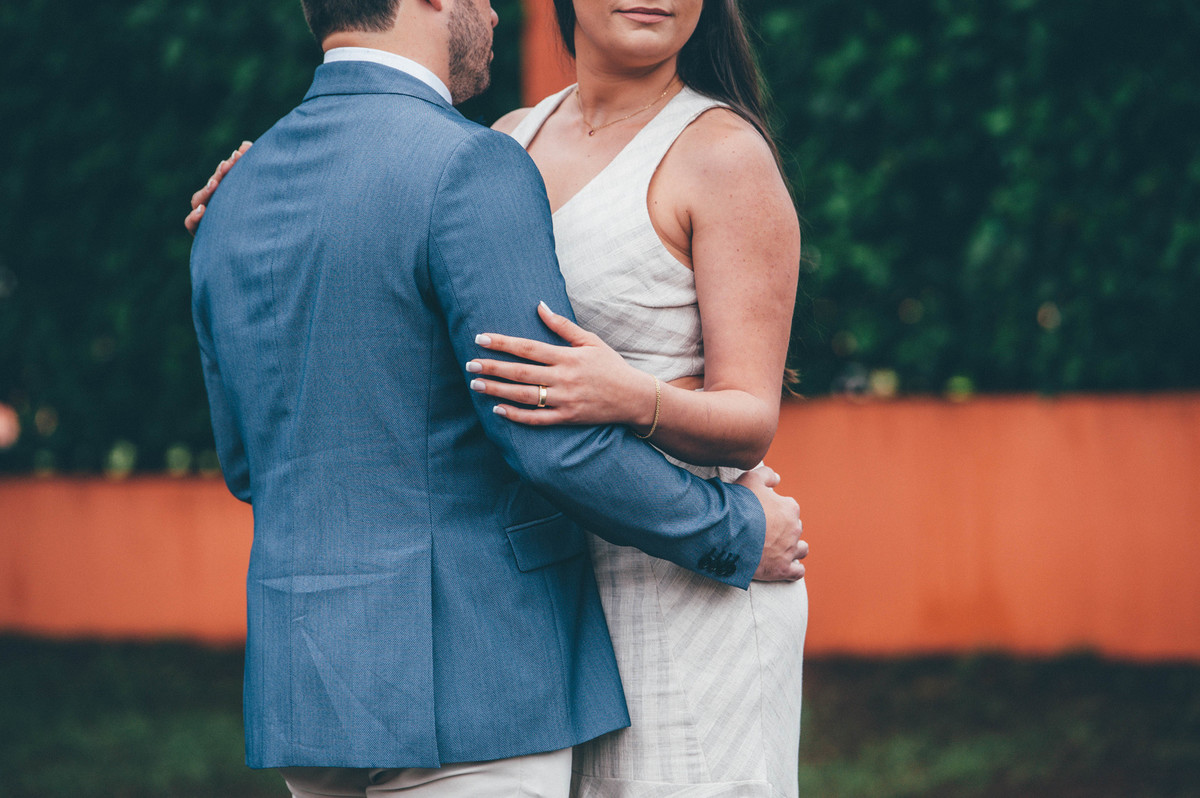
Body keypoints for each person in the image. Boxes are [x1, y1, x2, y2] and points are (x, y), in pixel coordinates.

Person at [186, 0, 806, 796]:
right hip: (486, 645)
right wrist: (737, 531)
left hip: (348, 668)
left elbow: (249, 462)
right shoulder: (494, 148)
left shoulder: (246, 191)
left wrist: (635, 398)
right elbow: (540, 433)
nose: (492, 9)